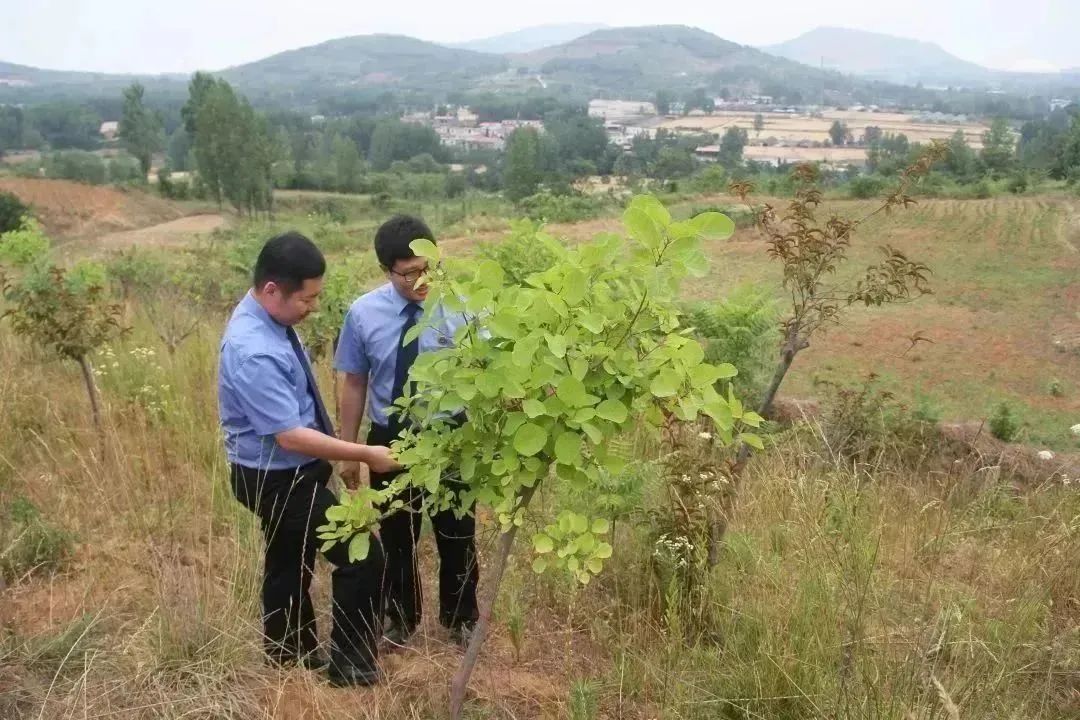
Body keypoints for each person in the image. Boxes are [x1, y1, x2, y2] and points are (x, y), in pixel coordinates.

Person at [218, 231, 397, 686]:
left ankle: (287, 651)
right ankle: (350, 665)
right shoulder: (252, 348)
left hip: (285, 471)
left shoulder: (269, 319)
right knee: (362, 556)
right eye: (307, 299)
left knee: (289, 558)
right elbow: (291, 437)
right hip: (276, 478)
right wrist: (363, 453)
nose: (312, 308)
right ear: (272, 289)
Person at [335, 215, 479, 648]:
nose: (420, 281)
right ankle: (399, 619)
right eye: (408, 273)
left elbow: (489, 371)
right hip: (389, 438)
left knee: (458, 532)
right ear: (387, 270)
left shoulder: (462, 305)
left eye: (427, 268)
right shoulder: (363, 314)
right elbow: (355, 382)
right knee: (397, 536)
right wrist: (348, 450)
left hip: (450, 435)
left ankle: (461, 619)